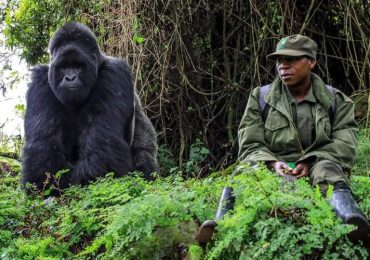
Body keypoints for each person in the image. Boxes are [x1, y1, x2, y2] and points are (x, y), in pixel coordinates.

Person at [197, 34, 369, 245]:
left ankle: (352, 221)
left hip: (318, 166)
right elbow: (250, 143)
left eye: (292, 60)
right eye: (280, 60)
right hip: (273, 167)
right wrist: (272, 163)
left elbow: (346, 143)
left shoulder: (336, 101)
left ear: (312, 62)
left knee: (327, 169)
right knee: (245, 169)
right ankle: (219, 224)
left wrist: (310, 161)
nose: (283, 66)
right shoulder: (260, 98)